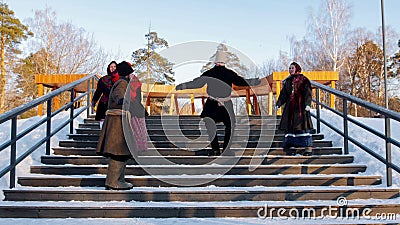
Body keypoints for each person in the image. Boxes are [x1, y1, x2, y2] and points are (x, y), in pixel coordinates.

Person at [176, 50, 261, 156]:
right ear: (225, 62)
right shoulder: (229, 73)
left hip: (212, 103)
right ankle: (226, 150)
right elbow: (241, 81)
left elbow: (197, 83)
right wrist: (254, 82)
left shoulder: (210, 73)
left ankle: (215, 149)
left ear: (215, 61)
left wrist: (183, 86)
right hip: (225, 103)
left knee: (211, 125)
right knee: (230, 125)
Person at [96, 61, 146, 190]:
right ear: (127, 73)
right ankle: (113, 181)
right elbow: (119, 96)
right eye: (131, 72)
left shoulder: (123, 83)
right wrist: (122, 100)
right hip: (117, 122)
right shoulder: (122, 84)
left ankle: (119, 179)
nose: (132, 75)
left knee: (122, 152)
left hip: (120, 120)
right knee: (118, 152)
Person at [276, 62, 313, 156]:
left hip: (301, 107)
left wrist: (308, 104)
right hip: (290, 107)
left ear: (297, 68)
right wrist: (279, 103)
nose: (290, 70)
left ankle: (307, 147)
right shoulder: (288, 81)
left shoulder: (304, 80)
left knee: (302, 125)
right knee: (290, 126)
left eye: (292, 68)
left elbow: (308, 92)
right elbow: (284, 94)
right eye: (289, 68)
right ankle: (291, 146)